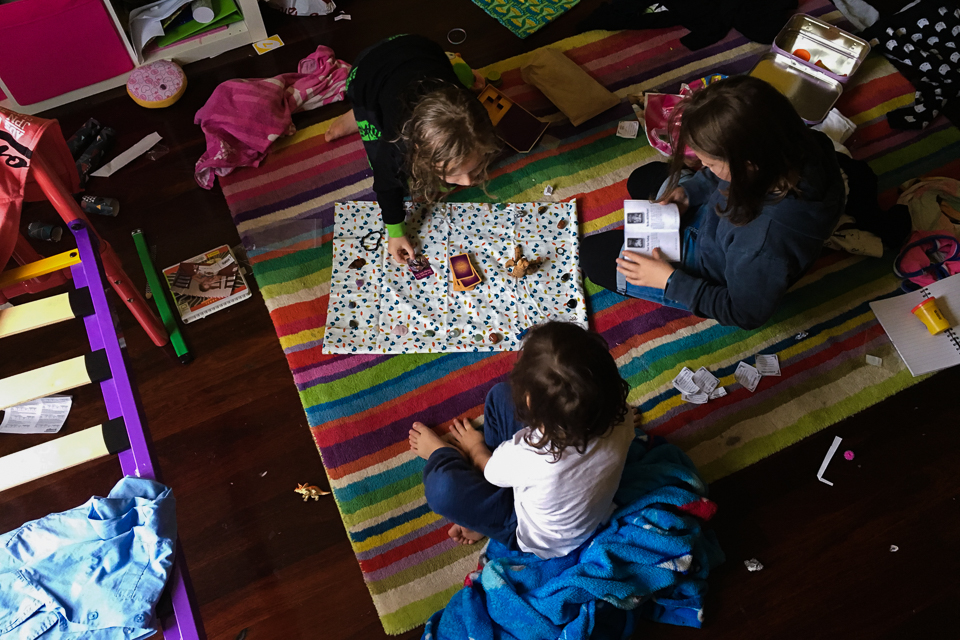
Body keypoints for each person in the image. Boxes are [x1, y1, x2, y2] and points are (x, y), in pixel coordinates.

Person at [581, 75, 846, 330]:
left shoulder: (762, 245)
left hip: (720, 264)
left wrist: (668, 281)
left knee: (592, 256)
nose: (704, 167)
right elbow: (720, 178)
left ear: (748, 166)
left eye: (709, 163)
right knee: (644, 178)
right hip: (721, 227)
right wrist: (688, 193)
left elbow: (744, 312)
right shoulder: (798, 143)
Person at [408, 322, 636, 558]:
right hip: (569, 504)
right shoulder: (622, 415)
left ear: (529, 403)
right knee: (500, 396)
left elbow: (489, 470)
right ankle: (486, 514)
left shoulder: (533, 455)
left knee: (443, 489)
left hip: (532, 534)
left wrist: (474, 446)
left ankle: (476, 508)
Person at [325, 34, 501, 264]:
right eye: (455, 173)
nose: (468, 182)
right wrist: (396, 233)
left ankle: (458, 67)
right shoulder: (397, 146)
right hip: (367, 72)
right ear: (419, 152)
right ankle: (356, 116)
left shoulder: (475, 115)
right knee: (376, 145)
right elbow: (386, 186)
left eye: (473, 168)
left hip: (420, 46)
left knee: (466, 79)